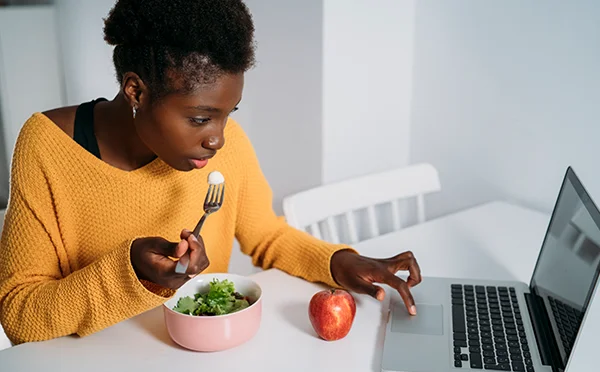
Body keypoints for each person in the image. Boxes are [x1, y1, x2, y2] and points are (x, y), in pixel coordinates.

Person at [0, 0, 421, 345]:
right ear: (136, 91)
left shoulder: (227, 143)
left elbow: (267, 237)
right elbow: (20, 313)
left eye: (227, 114)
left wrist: (340, 261)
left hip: (201, 364)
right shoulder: (48, 147)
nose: (218, 139)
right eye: (201, 119)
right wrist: (130, 269)